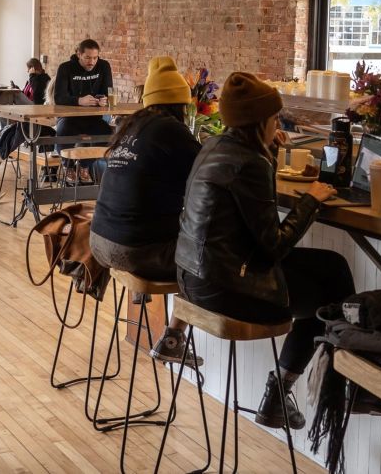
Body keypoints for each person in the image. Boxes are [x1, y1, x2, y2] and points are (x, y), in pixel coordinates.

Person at [175, 72, 354, 430]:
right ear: (259, 122)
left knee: (333, 266)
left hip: (193, 278)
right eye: (274, 119)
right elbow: (273, 247)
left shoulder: (214, 145)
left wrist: (269, 149)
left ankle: (294, 389)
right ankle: (284, 392)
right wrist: (310, 202)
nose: (279, 123)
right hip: (225, 289)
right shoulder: (249, 163)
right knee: (330, 300)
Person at [91, 56, 202, 363]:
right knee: (210, 256)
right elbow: (208, 171)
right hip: (134, 251)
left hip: (99, 245)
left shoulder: (132, 126)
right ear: (181, 105)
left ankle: (171, 335)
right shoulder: (171, 131)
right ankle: (174, 338)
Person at [53, 39, 113, 184]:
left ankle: (85, 166)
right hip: (69, 118)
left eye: (95, 57)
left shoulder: (104, 66)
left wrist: (105, 100)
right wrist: (79, 101)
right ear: (79, 54)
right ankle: (68, 167)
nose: (91, 62)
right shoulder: (65, 68)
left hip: (93, 118)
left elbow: (109, 91)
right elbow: (59, 98)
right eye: (87, 58)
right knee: (62, 133)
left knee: (110, 137)